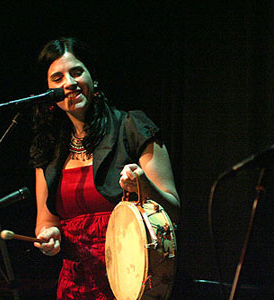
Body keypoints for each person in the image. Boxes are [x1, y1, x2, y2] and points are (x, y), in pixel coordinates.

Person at [29, 37, 180, 299]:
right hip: (75, 285)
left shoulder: (132, 127)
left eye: (77, 72)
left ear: (93, 78)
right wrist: (48, 235)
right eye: (57, 78)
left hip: (132, 279)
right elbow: (46, 220)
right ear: (48, 92)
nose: (69, 83)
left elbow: (174, 212)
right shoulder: (48, 148)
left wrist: (144, 186)